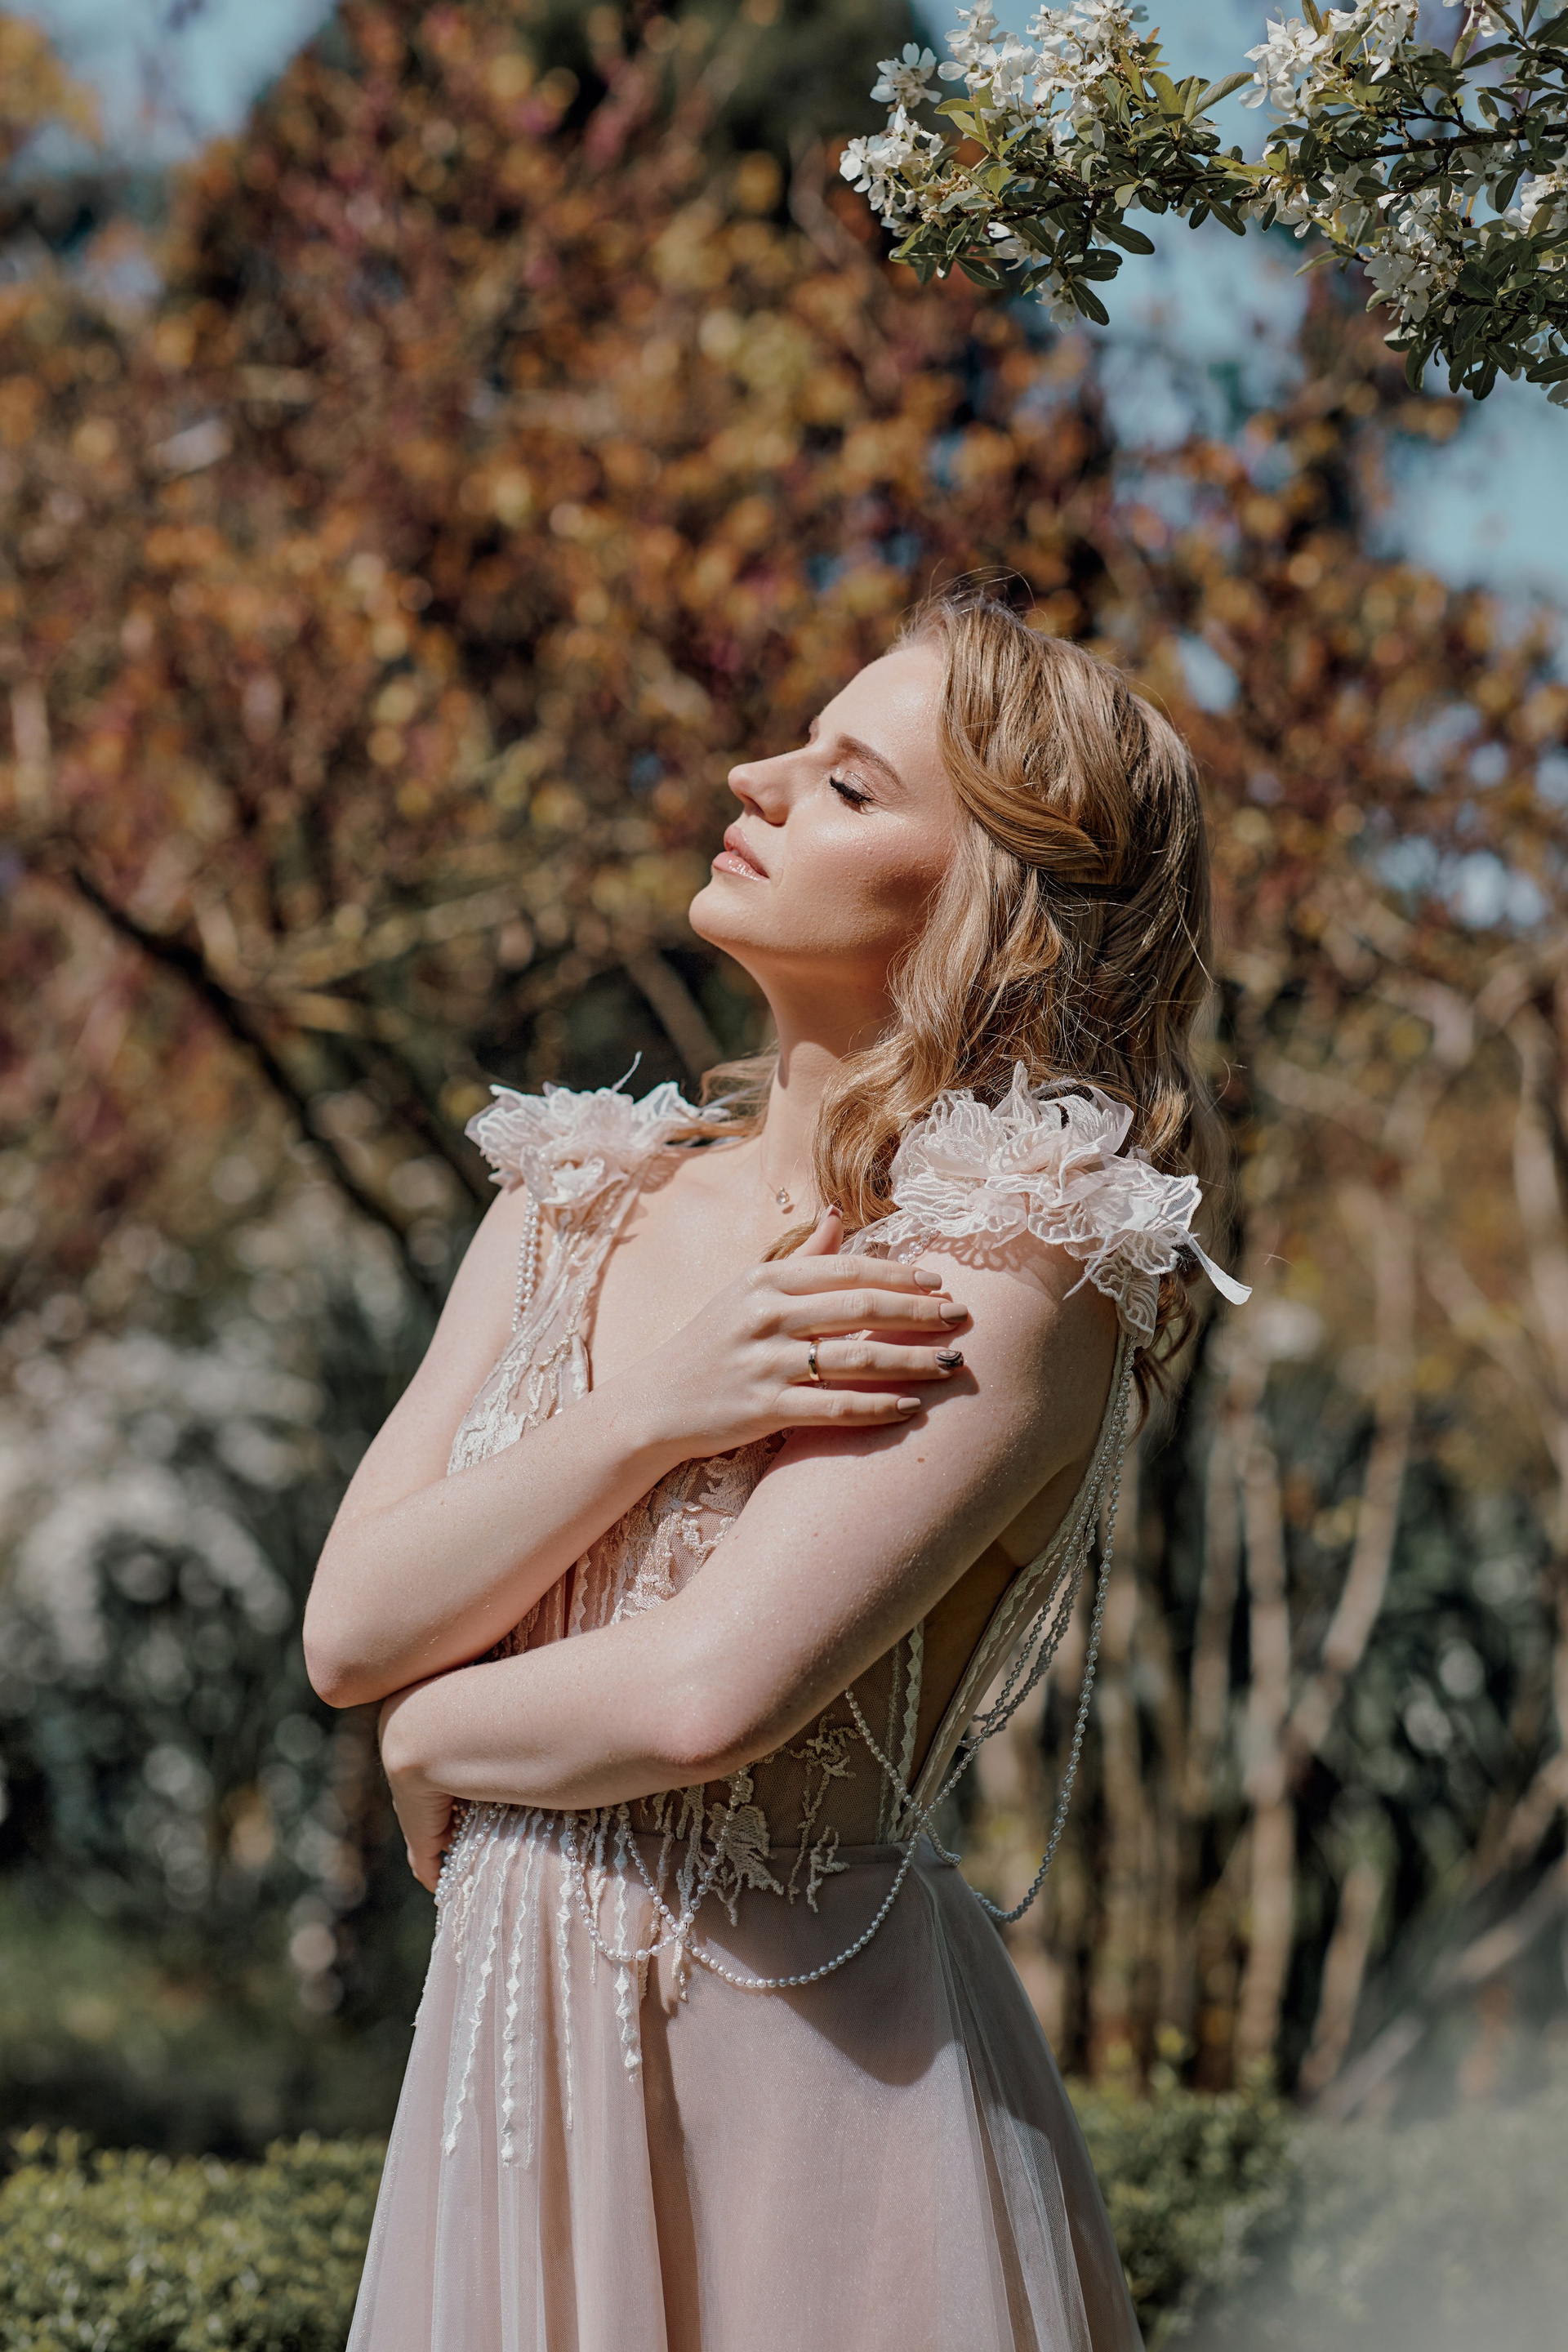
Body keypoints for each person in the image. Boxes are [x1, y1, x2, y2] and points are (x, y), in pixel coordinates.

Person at [305, 591, 1245, 2351]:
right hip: (512, 2070)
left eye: (847, 782)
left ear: (988, 909)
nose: (755, 776)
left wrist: (431, 1742)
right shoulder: (574, 1195)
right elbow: (353, 1629)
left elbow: (701, 1695)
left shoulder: (1013, 1254)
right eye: (798, 749)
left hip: (812, 2101)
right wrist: (656, 1410)